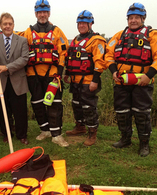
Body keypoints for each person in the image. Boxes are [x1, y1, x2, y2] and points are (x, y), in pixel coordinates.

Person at [105, 3, 157, 156]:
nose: (133, 21)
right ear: (127, 19)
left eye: (136, 18)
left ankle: (144, 144)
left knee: (142, 113)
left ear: (143, 18)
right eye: (130, 18)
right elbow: (108, 54)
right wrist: (113, 71)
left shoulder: (154, 35)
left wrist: (149, 76)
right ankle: (125, 138)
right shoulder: (119, 36)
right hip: (121, 82)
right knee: (122, 112)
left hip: (143, 81)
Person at [19, 0, 69, 147]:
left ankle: (56, 135)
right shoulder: (28, 32)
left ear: (49, 13)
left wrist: (59, 73)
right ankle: (45, 130)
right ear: (36, 13)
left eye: (45, 12)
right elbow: (13, 38)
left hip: (52, 73)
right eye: (40, 12)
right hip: (33, 74)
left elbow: (62, 53)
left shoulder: (57, 31)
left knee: (55, 104)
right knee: (37, 103)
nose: (42, 15)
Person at [64, 10, 107, 146]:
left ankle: (92, 133)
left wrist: (95, 80)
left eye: (84, 23)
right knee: (76, 105)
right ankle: (80, 127)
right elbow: (70, 58)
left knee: (89, 107)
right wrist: (67, 73)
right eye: (80, 23)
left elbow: (100, 62)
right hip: (75, 80)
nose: (81, 25)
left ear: (90, 24)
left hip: (89, 80)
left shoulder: (96, 40)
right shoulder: (76, 40)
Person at [0, 12, 30, 145]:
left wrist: (6, 67)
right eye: (5, 24)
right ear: (0, 25)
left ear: (13, 25)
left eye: (10, 24)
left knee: (20, 110)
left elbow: (24, 59)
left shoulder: (22, 40)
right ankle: (7, 134)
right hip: (0, 82)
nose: (7, 26)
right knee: (2, 110)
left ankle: (22, 135)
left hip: (18, 81)